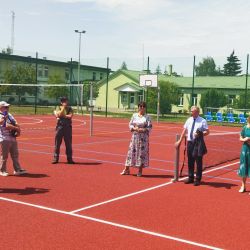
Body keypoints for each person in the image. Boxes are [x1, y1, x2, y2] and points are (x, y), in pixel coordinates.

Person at [175, 106, 209, 186]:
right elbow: (184, 130)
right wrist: (179, 141)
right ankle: (190, 177)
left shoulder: (202, 121)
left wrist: (201, 133)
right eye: (191, 111)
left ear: (197, 112)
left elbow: (207, 132)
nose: (191, 112)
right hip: (190, 142)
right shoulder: (189, 120)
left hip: (198, 143)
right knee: (190, 161)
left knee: (198, 162)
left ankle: (198, 179)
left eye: (192, 111)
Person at [121, 101, 152, 177]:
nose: (142, 108)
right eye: (140, 106)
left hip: (143, 139)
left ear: (145, 108)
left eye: (143, 107)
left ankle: (140, 170)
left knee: (141, 154)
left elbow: (149, 127)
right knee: (130, 152)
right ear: (138, 107)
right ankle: (126, 169)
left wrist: (143, 130)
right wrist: (134, 128)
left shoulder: (147, 117)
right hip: (135, 137)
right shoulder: (134, 115)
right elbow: (130, 124)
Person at [0, 101, 27, 176]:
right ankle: (2, 170)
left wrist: (18, 130)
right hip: (4, 138)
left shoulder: (9, 115)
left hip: (12, 137)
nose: (7, 108)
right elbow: (5, 125)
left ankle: (17, 169)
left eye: (8, 107)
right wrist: (16, 128)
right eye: (5, 107)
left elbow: (16, 123)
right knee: (4, 155)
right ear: (1, 107)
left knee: (15, 154)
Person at [52, 97, 75, 164]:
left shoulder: (70, 109)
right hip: (60, 128)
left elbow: (70, 116)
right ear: (61, 102)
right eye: (63, 101)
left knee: (68, 144)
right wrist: (63, 109)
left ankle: (69, 159)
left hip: (67, 128)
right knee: (57, 144)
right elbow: (58, 115)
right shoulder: (58, 108)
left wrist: (62, 115)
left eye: (65, 101)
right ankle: (55, 158)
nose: (64, 102)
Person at [237, 116, 250, 193]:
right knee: (244, 167)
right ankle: (243, 185)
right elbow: (240, 138)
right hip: (245, 150)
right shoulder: (245, 127)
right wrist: (244, 139)